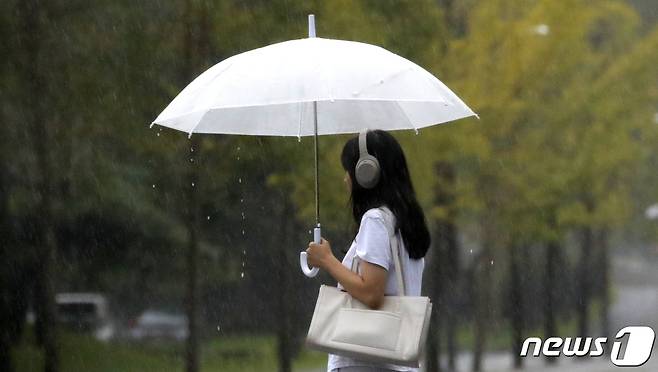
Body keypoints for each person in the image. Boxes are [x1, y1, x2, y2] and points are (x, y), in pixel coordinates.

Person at [305, 129, 431, 372]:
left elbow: (372, 293)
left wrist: (327, 260)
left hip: (365, 361)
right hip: (395, 361)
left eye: (348, 170)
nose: (345, 179)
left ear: (366, 173)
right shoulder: (404, 223)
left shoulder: (375, 220)